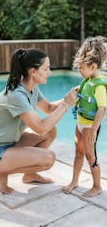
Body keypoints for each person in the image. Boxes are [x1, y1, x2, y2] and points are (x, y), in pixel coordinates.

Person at [0, 48, 78, 194]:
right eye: (46, 68)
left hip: (9, 143)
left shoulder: (31, 88)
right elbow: (40, 128)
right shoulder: (16, 95)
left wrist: (71, 97)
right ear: (33, 72)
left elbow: (49, 108)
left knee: (51, 131)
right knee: (48, 159)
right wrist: (65, 104)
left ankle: (29, 175)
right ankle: (0, 172)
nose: (49, 72)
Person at [63, 36, 107, 197]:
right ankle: (75, 180)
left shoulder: (100, 84)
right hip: (80, 123)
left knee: (90, 155)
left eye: (82, 68)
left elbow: (102, 108)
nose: (79, 71)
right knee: (78, 153)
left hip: (90, 126)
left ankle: (97, 186)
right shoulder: (87, 80)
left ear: (93, 66)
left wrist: (94, 130)